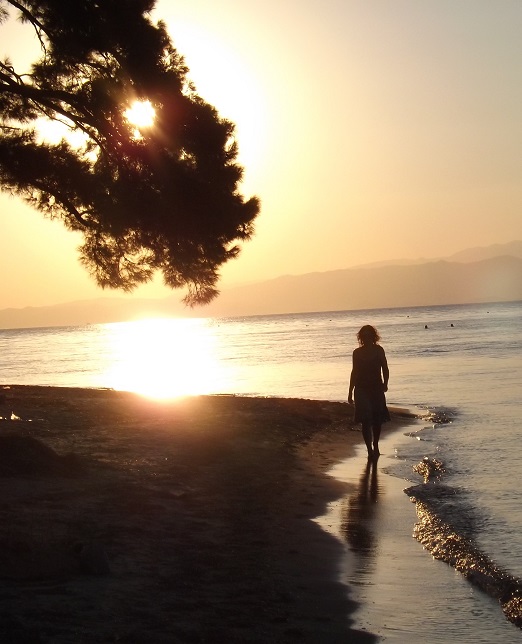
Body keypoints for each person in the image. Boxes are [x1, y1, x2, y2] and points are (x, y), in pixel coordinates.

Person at [348, 325, 390, 458]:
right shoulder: (357, 353)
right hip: (361, 388)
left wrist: (385, 384)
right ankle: (369, 449)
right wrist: (350, 391)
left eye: (369, 335)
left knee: (377, 419)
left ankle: (375, 444)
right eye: (364, 336)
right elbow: (354, 372)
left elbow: (385, 368)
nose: (366, 338)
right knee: (365, 420)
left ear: (373, 336)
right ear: (361, 337)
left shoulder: (379, 350)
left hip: (376, 387)